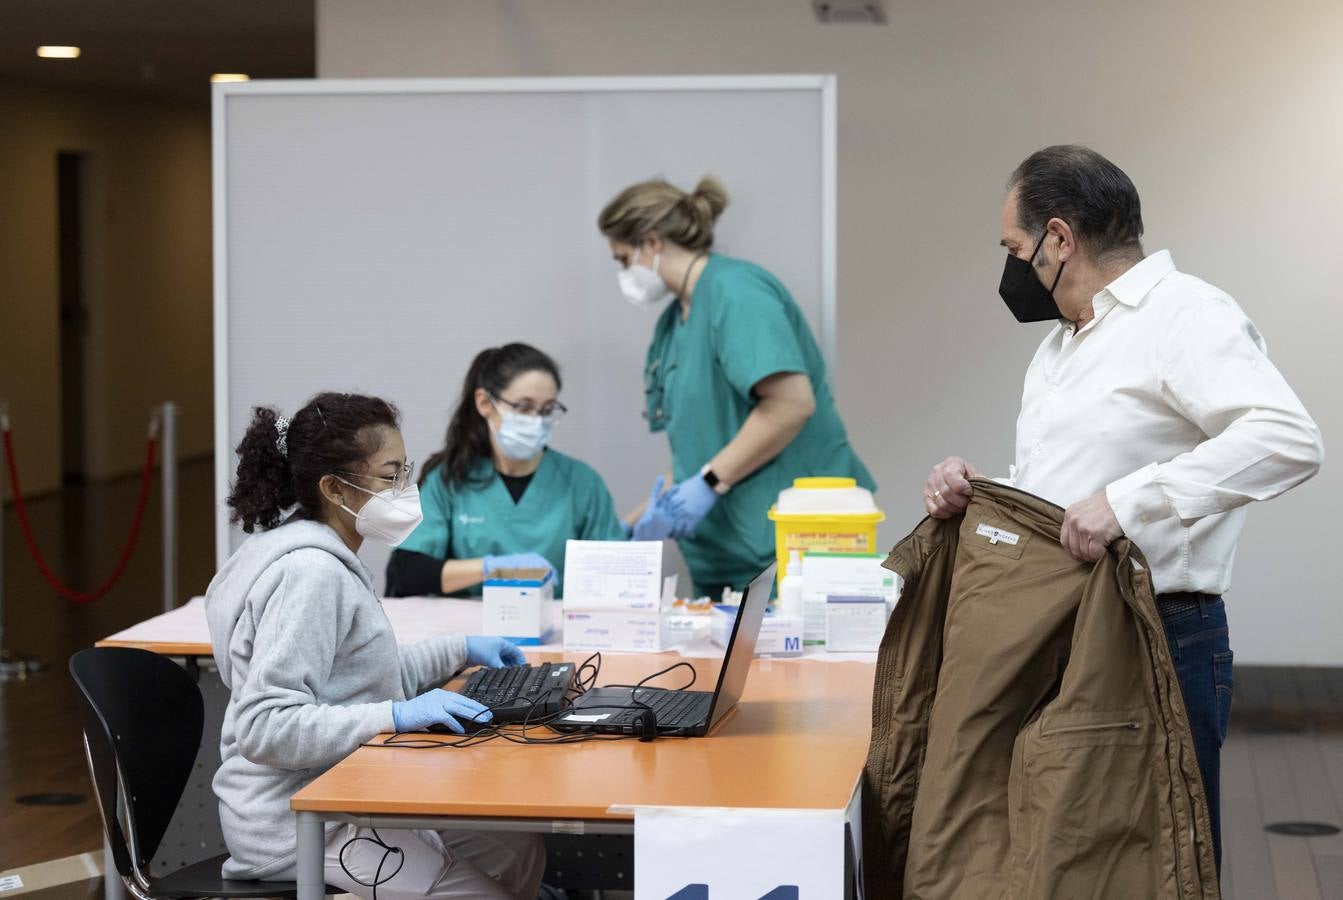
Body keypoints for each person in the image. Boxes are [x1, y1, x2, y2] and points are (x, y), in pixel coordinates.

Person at [923, 145, 1323, 870]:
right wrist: (982, 495)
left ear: (1058, 239)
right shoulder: (1060, 345)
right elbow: (1068, 494)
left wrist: (1130, 502)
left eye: (1013, 248)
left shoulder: (1185, 315)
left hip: (1157, 634)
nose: (1011, 267)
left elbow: (1287, 438)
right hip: (1062, 629)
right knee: (1073, 859)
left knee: (1157, 859)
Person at [207, 392, 545, 899]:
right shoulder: (311, 574)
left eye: (404, 472)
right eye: (391, 477)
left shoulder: (328, 556)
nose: (405, 490)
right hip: (298, 823)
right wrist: (394, 716)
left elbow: (361, 679)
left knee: (517, 851)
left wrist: (461, 648)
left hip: (344, 796)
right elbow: (264, 727)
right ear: (332, 488)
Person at [599, 176, 875, 596]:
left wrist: (707, 484)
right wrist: (631, 525)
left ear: (652, 242)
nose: (623, 274)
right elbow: (702, 450)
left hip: (795, 547)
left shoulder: (737, 293)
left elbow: (791, 404)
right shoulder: (673, 325)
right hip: (724, 557)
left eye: (622, 259)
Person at [386, 344, 626, 597]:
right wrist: (492, 569)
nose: (536, 420)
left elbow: (613, 576)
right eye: (523, 407)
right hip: (470, 630)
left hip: (555, 629)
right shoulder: (450, 480)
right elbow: (405, 573)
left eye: (546, 410)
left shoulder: (581, 482)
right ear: (485, 403)